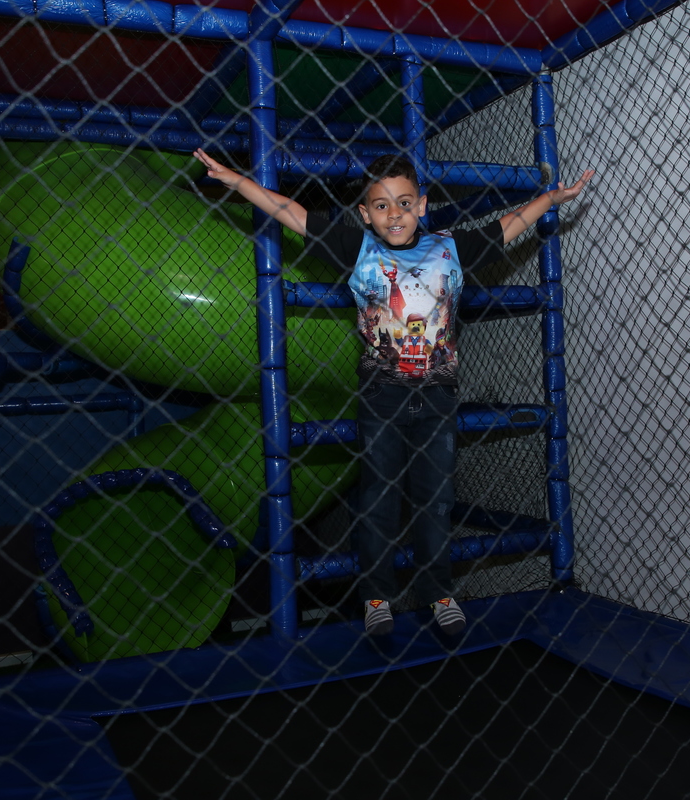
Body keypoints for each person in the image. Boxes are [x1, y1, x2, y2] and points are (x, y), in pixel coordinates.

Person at [192, 148, 594, 636]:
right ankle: (376, 596)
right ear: (365, 214)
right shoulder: (357, 248)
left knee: (436, 500)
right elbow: (290, 212)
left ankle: (438, 592)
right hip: (381, 397)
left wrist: (551, 198)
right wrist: (237, 182)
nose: (395, 214)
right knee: (379, 499)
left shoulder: (449, 247)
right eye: (381, 205)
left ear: (421, 206)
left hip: (438, 396)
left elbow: (507, 227)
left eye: (404, 203)